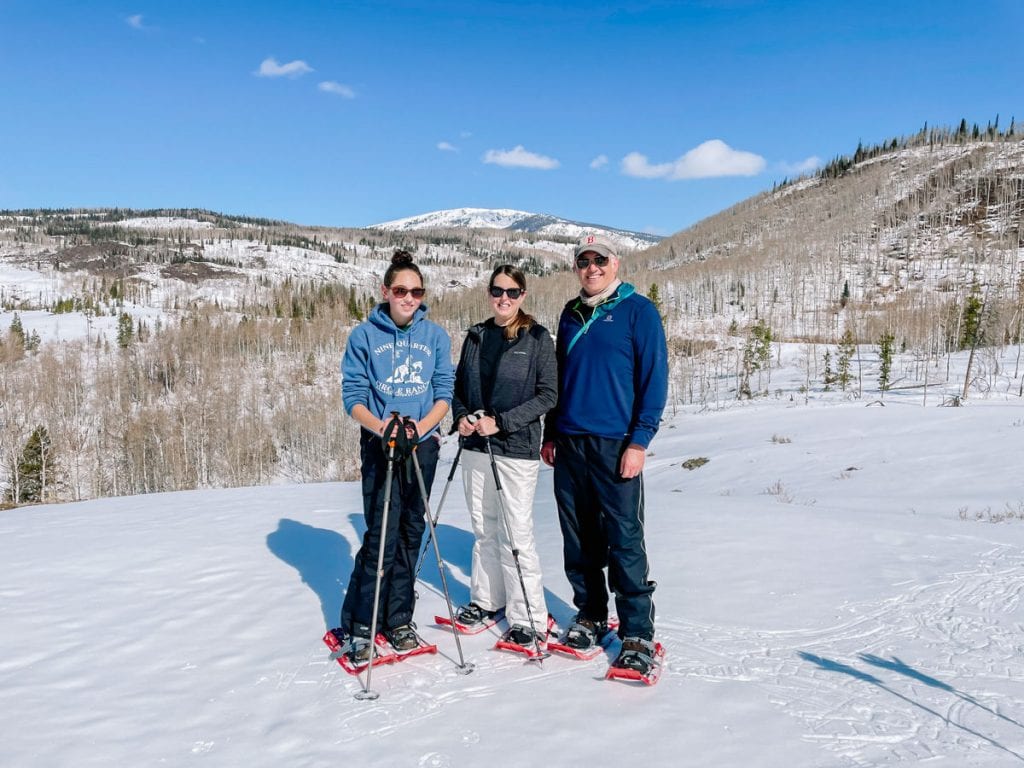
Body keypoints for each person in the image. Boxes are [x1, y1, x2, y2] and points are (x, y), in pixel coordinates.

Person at [541, 233, 668, 674]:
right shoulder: (570, 313)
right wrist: (551, 432)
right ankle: (592, 614)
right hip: (571, 442)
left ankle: (636, 632)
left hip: (616, 443)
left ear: (616, 264)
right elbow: (559, 377)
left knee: (624, 539)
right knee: (579, 539)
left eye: (600, 260)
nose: (591, 268)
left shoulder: (639, 311)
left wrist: (639, 441)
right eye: (583, 261)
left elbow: (654, 380)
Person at [337, 250, 454, 664]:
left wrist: (419, 431)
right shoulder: (364, 336)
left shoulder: (435, 336)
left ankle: (399, 618)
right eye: (401, 290)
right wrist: (384, 427)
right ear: (385, 291)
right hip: (381, 442)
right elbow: (352, 398)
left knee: (410, 532)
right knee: (381, 535)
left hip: (421, 444)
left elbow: (444, 393)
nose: (409, 298)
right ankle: (361, 624)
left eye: (416, 291)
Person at [451, 265, 557, 647]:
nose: (504, 299)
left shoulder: (538, 338)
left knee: (516, 534)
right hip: (476, 448)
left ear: (523, 295)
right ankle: (486, 599)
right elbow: (458, 386)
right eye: (498, 291)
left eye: (512, 292)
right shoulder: (476, 336)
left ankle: (528, 615)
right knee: (484, 528)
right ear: (489, 293)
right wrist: (461, 417)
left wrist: (503, 422)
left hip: (515, 450)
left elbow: (548, 395)